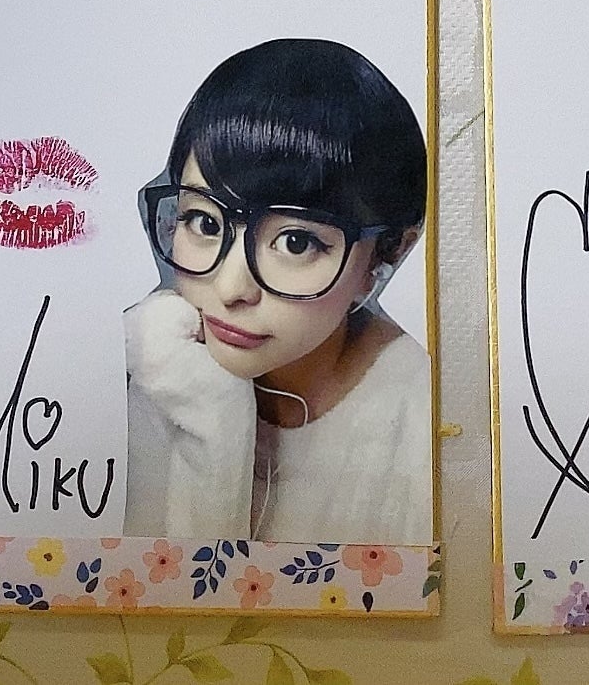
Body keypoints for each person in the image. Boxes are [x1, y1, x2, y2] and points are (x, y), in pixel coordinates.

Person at [122, 37, 432, 543]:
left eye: (295, 242)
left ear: (386, 253)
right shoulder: (148, 361)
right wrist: (209, 413)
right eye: (204, 222)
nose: (231, 288)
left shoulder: (427, 436)